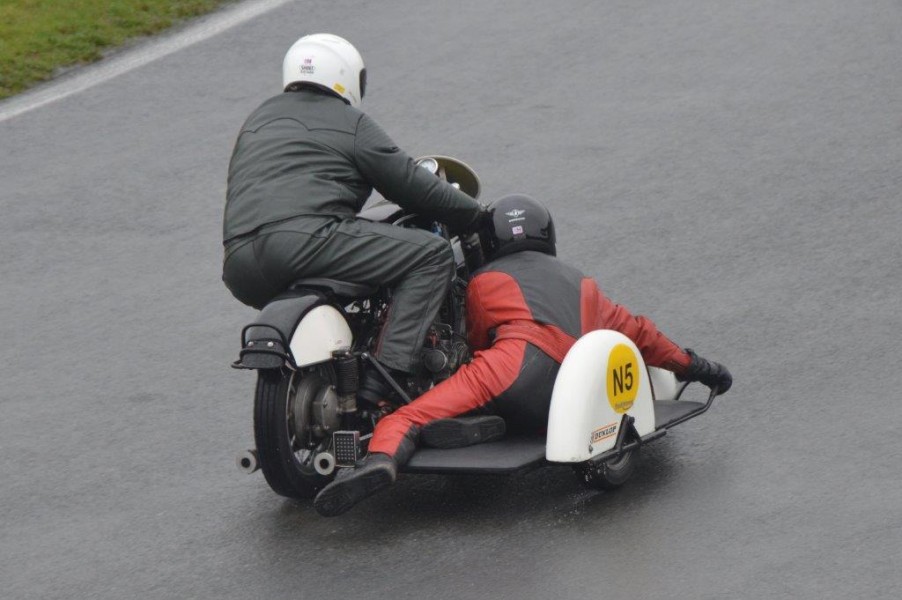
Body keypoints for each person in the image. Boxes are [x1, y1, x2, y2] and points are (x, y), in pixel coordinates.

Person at [313, 194, 732, 517]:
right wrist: (700, 367)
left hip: (511, 366)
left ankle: (382, 461)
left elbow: (473, 344)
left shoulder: (482, 278)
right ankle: (470, 428)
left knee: (406, 415)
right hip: (572, 386)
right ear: (546, 235)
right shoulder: (582, 282)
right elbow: (642, 333)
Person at [222, 33, 483, 390]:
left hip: (239, 263)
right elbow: (410, 184)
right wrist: (474, 214)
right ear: (345, 76)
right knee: (431, 255)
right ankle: (388, 377)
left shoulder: (257, 120)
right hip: (304, 240)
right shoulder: (350, 122)